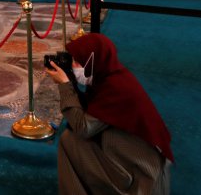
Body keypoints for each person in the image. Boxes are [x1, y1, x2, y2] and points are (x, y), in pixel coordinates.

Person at [46, 33, 173, 195]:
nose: (73, 66)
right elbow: (90, 111)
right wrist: (70, 83)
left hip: (143, 178)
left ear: (94, 61)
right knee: (69, 140)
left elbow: (83, 127)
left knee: (71, 140)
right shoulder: (110, 77)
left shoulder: (116, 89)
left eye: (78, 61)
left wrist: (65, 86)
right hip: (131, 160)